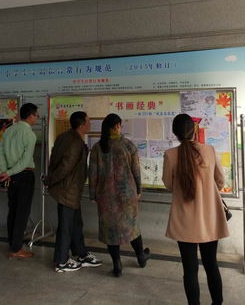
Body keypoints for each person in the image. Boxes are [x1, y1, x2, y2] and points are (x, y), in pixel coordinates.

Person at [162, 114, 229, 305]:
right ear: (195, 130)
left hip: (184, 221)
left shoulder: (170, 155)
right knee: (211, 265)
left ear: (175, 133)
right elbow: (220, 181)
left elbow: (168, 184)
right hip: (209, 219)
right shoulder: (209, 150)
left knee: (190, 270)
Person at [88, 113, 150, 277]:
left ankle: (117, 265)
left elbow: (92, 173)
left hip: (106, 196)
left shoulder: (97, 148)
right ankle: (141, 257)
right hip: (127, 195)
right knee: (132, 227)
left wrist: (92, 194)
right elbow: (136, 171)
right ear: (117, 126)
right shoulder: (128, 145)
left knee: (111, 231)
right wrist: (139, 190)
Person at [46, 111, 103, 273]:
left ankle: (81, 254)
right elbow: (65, 167)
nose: (90, 124)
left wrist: (51, 180)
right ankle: (61, 261)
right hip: (68, 190)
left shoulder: (64, 137)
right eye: (88, 122)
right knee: (66, 226)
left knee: (76, 224)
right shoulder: (75, 142)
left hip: (69, 190)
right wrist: (50, 180)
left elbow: (54, 160)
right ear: (81, 125)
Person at [0, 102, 39, 259]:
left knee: (13, 210)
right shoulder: (30, 134)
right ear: (31, 116)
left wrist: (6, 172)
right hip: (24, 176)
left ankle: (12, 244)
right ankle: (16, 249)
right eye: (36, 115)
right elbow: (25, 160)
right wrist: (9, 172)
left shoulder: (8, 130)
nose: (37, 118)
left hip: (10, 176)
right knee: (22, 212)